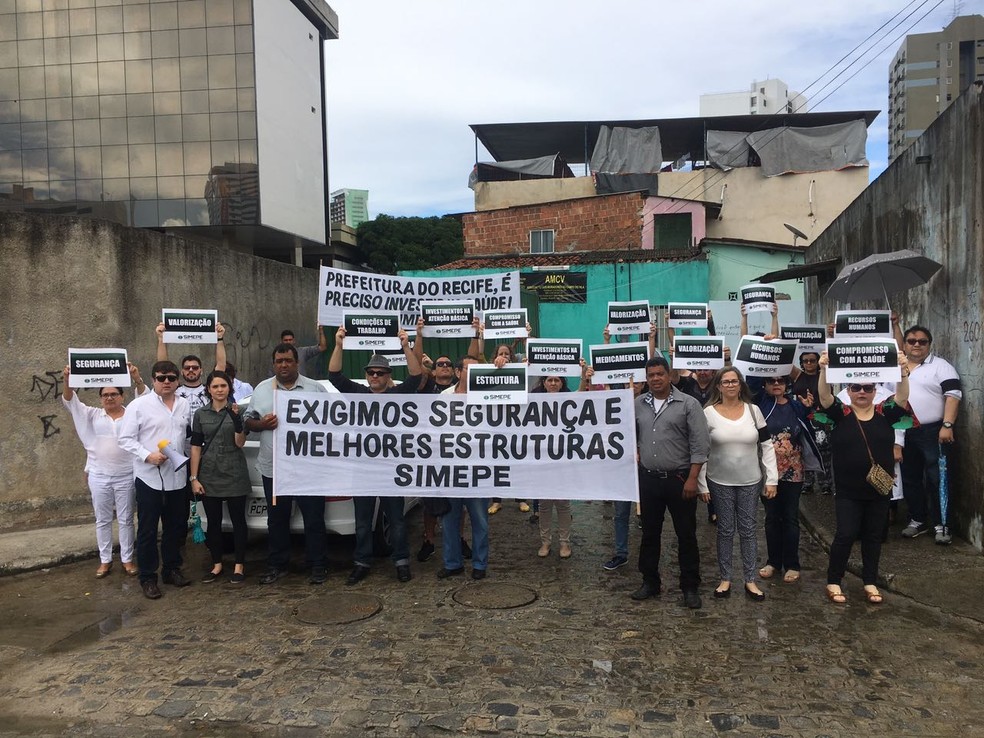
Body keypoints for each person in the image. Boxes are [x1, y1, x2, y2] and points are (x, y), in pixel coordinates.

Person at [328, 327, 421, 584]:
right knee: (362, 521)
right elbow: (334, 376)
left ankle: (401, 562)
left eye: (380, 373)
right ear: (366, 375)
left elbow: (415, 376)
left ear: (388, 376)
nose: (375, 376)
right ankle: (361, 562)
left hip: (390, 470)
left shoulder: (397, 395)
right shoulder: (357, 394)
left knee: (397, 519)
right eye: (371, 372)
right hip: (363, 469)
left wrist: (406, 346)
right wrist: (338, 345)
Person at [818, 349, 911, 604]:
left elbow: (902, 397)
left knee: (873, 536)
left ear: (874, 391)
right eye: (856, 387)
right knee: (846, 534)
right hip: (848, 490)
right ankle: (834, 580)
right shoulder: (841, 415)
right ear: (848, 391)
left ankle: (870, 580)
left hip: (879, 489)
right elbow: (825, 397)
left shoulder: (885, 413)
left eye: (867, 388)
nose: (861, 392)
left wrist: (903, 371)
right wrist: (824, 369)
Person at [244, 343, 330, 585]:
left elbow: (332, 422)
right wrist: (262, 425)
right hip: (274, 469)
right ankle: (277, 564)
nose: (283, 365)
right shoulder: (262, 390)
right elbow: (248, 420)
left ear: (297, 363)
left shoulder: (315, 389)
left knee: (314, 518)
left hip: (307, 469)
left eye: (288, 361)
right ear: (273, 364)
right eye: (279, 361)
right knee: (277, 519)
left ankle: (317, 564)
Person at [632, 356, 709, 609]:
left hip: (680, 480)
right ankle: (650, 582)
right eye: (651, 375)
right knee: (650, 534)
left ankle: (689, 586)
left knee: (686, 535)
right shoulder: (637, 404)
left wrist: (693, 478)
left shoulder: (689, 404)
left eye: (659, 374)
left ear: (668, 375)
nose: (655, 379)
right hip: (649, 480)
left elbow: (700, 445)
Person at [698, 367, 778, 601]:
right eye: (726, 382)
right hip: (719, 480)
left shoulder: (754, 412)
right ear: (719, 386)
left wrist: (771, 479)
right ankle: (725, 578)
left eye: (735, 381)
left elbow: (767, 446)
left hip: (750, 481)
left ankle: (750, 579)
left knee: (748, 529)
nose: (731, 385)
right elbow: (702, 449)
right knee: (725, 530)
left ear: (741, 385)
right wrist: (702, 484)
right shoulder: (708, 413)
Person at [61, 362, 147, 578]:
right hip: (99, 475)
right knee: (103, 519)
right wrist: (67, 379)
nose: (109, 398)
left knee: (127, 518)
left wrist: (136, 378)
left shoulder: (133, 413)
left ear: (122, 396)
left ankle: (127, 559)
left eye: (114, 394)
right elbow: (70, 399)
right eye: (105, 395)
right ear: (101, 398)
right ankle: (105, 560)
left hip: (126, 475)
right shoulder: (91, 415)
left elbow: (145, 399)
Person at [117, 360, 193, 600]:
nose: (167, 382)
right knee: (148, 530)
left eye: (171, 378)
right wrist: (147, 456)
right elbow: (125, 439)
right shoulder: (139, 405)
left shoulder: (184, 405)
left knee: (175, 527)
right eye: (162, 378)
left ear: (178, 380)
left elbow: (187, 438)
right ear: (153, 380)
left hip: (177, 477)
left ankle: (171, 569)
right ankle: (148, 577)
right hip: (149, 476)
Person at [890, 325, 961, 543]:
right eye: (912, 341)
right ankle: (917, 519)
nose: (917, 345)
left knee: (936, 478)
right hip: (902, 431)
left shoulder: (941, 367)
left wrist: (947, 425)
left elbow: (953, 395)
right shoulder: (894, 367)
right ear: (905, 344)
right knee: (910, 478)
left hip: (932, 432)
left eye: (922, 341)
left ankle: (942, 525)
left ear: (929, 344)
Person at [747, 374, 819, 585]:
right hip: (767, 472)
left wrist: (808, 409)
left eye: (780, 381)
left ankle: (792, 564)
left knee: (790, 518)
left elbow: (809, 428)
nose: (776, 384)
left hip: (793, 472)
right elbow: (750, 383)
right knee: (771, 518)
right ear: (765, 385)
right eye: (771, 381)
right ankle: (773, 562)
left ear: (787, 384)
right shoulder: (760, 404)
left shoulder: (797, 406)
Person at [436, 355, 495, 580]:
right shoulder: (444, 396)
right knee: (449, 520)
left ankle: (480, 564)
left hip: (478, 470)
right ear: (459, 372)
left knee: (480, 519)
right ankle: (453, 563)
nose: (473, 374)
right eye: (469, 370)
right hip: (451, 470)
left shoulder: (489, 397)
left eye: (478, 370)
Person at [189, 370, 250, 584]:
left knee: (238, 521)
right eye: (215, 386)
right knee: (213, 522)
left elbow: (240, 443)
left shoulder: (238, 410)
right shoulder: (200, 415)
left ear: (229, 388)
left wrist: (237, 421)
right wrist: (194, 478)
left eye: (223, 386)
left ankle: (239, 566)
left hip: (234, 471)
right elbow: (195, 447)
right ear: (208, 389)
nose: (219, 390)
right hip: (209, 472)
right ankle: (217, 565)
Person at [530, 372, 575, 559]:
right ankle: (545, 541)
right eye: (550, 380)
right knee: (544, 504)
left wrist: (582, 374)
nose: (554, 383)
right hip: (542, 460)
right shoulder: (534, 400)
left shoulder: (570, 399)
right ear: (544, 383)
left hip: (563, 459)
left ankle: (565, 542)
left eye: (557, 380)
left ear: (562, 383)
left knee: (563, 504)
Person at [155, 322, 227, 413]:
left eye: (195, 368)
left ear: (201, 371)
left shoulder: (209, 390)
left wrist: (220, 338)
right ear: (182, 371)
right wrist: (161, 339)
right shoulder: (174, 390)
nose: (191, 370)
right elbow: (163, 367)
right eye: (187, 368)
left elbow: (221, 366)